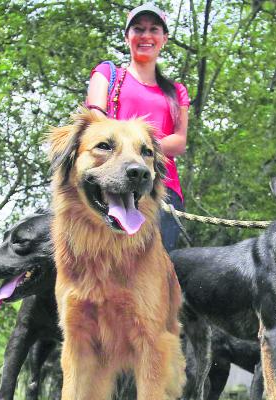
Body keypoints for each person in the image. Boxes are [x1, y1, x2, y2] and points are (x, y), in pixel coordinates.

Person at [86, 3, 189, 251]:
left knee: (156, 274)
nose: (146, 36)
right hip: (110, 183)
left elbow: (179, 141)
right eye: (138, 29)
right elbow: (95, 120)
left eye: (154, 29)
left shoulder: (176, 91)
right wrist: (130, 154)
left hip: (161, 190)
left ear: (164, 38)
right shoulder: (107, 74)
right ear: (127, 37)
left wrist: (139, 151)